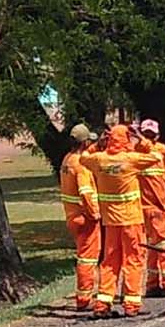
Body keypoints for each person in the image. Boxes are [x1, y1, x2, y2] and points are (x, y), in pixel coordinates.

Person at [92, 119, 151, 316]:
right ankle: (132, 304)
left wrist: (98, 143)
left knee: (109, 261)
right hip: (132, 220)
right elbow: (156, 156)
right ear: (126, 139)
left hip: (110, 222)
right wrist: (141, 138)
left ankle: (103, 303)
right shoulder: (131, 159)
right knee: (133, 260)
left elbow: (84, 157)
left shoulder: (99, 160)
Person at [57, 124, 105, 314]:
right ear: (84, 142)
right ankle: (85, 299)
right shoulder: (81, 165)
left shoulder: (67, 160)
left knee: (84, 256)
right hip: (85, 218)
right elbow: (85, 193)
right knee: (88, 259)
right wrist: (95, 215)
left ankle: (84, 296)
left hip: (72, 216)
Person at [136, 118, 165, 296]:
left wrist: (139, 138)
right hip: (153, 207)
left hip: (155, 205)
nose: (147, 137)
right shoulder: (139, 151)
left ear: (157, 135)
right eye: (145, 133)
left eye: (150, 134)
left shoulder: (160, 151)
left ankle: (153, 283)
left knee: (155, 244)